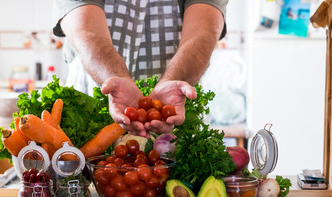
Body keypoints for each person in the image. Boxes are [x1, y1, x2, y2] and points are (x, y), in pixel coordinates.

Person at [53, 0, 228, 137]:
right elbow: (85, 28)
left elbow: (204, 30)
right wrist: (115, 77)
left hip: (177, 103)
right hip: (93, 94)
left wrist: (174, 79)